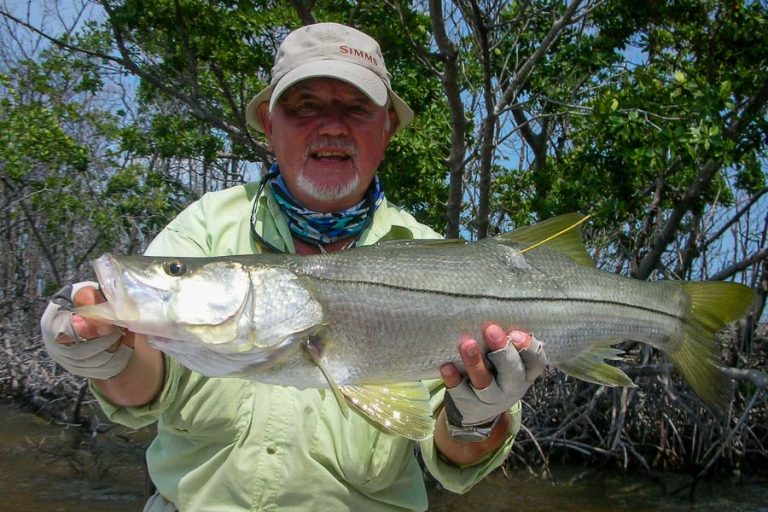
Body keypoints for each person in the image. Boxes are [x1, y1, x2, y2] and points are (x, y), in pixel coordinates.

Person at [40, 22, 547, 511]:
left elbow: (458, 455)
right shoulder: (206, 227)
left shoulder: (438, 256)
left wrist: (474, 418)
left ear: (387, 126)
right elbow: (142, 387)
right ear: (269, 124)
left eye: (355, 108)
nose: (331, 125)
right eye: (306, 106)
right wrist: (107, 357)